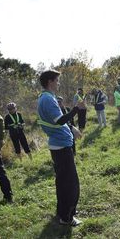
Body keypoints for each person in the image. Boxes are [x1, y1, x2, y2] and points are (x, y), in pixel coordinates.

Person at [37, 70, 84, 226]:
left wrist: (71, 128)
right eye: (57, 80)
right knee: (70, 184)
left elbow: (59, 121)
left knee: (63, 181)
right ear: (50, 81)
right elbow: (59, 120)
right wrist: (76, 109)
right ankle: (66, 217)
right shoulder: (48, 99)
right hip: (61, 147)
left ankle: (62, 212)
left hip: (59, 144)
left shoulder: (45, 98)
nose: (58, 83)